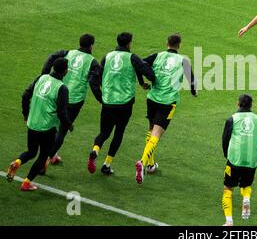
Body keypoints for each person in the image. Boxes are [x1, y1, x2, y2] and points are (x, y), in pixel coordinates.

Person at [87, 32, 154, 175]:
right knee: (119, 132)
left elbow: (97, 77)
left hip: (108, 102)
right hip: (125, 103)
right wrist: (149, 80)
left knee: (104, 132)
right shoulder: (132, 57)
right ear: (129, 43)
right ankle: (107, 164)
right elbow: (144, 69)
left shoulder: (107, 56)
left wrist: (102, 96)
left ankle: (95, 150)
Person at [135, 33, 197, 184]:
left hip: (152, 98)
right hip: (168, 102)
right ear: (179, 45)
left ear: (167, 43)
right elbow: (192, 81)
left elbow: (140, 64)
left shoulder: (157, 56)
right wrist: (194, 92)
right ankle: (142, 163)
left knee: (151, 129)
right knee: (156, 134)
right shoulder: (183, 61)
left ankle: (150, 164)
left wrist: (142, 81)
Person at [6, 58, 73, 191]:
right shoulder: (62, 88)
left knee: (31, 151)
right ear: (65, 71)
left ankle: (17, 162)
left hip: (32, 123)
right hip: (47, 127)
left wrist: (26, 114)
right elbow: (61, 112)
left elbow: (25, 95)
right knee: (43, 156)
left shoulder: (41, 78)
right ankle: (26, 183)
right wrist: (68, 125)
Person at [41, 33, 102, 165]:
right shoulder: (92, 62)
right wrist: (101, 99)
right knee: (62, 129)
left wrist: (44, 74)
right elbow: (94, 83)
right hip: (74, 100)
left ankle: (51, 154)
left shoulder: (68, 53)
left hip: (57, 94)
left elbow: (51, 57)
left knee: (52, 125)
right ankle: (46, 158)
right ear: (91, 46)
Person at [221, 94, 257, 226]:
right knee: (246, 185)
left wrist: (227, 155)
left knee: (228, 189)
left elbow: (225, 140)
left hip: (234, 160)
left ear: (238, 104)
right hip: (251, 162)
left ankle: (229, 222)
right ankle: (246, 197)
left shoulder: (232, 119)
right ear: (251, 105)